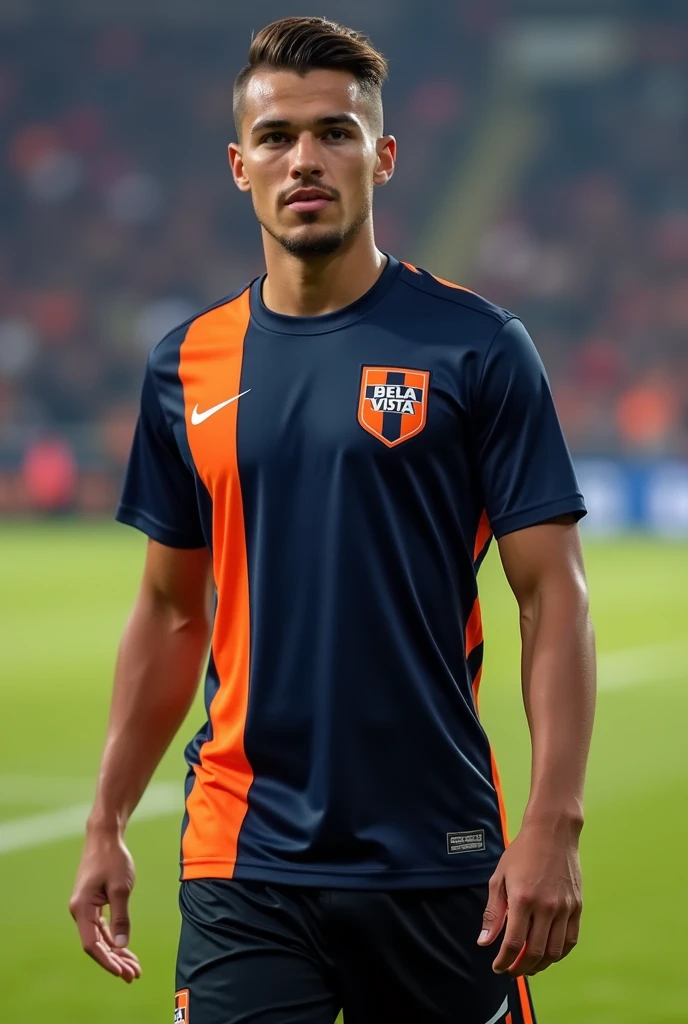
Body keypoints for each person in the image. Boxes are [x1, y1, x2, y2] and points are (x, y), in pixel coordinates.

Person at [70, 16, 596, 1024]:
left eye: (335, 131)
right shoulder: (183, 366)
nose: (304, 157)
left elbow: (550, 592)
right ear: (238, 164)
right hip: (243, 853)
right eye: (276, 136)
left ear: (382, 156)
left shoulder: (477, 347)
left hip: (438, 852)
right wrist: (104, 818)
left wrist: (553, 821)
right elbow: (171, 611)